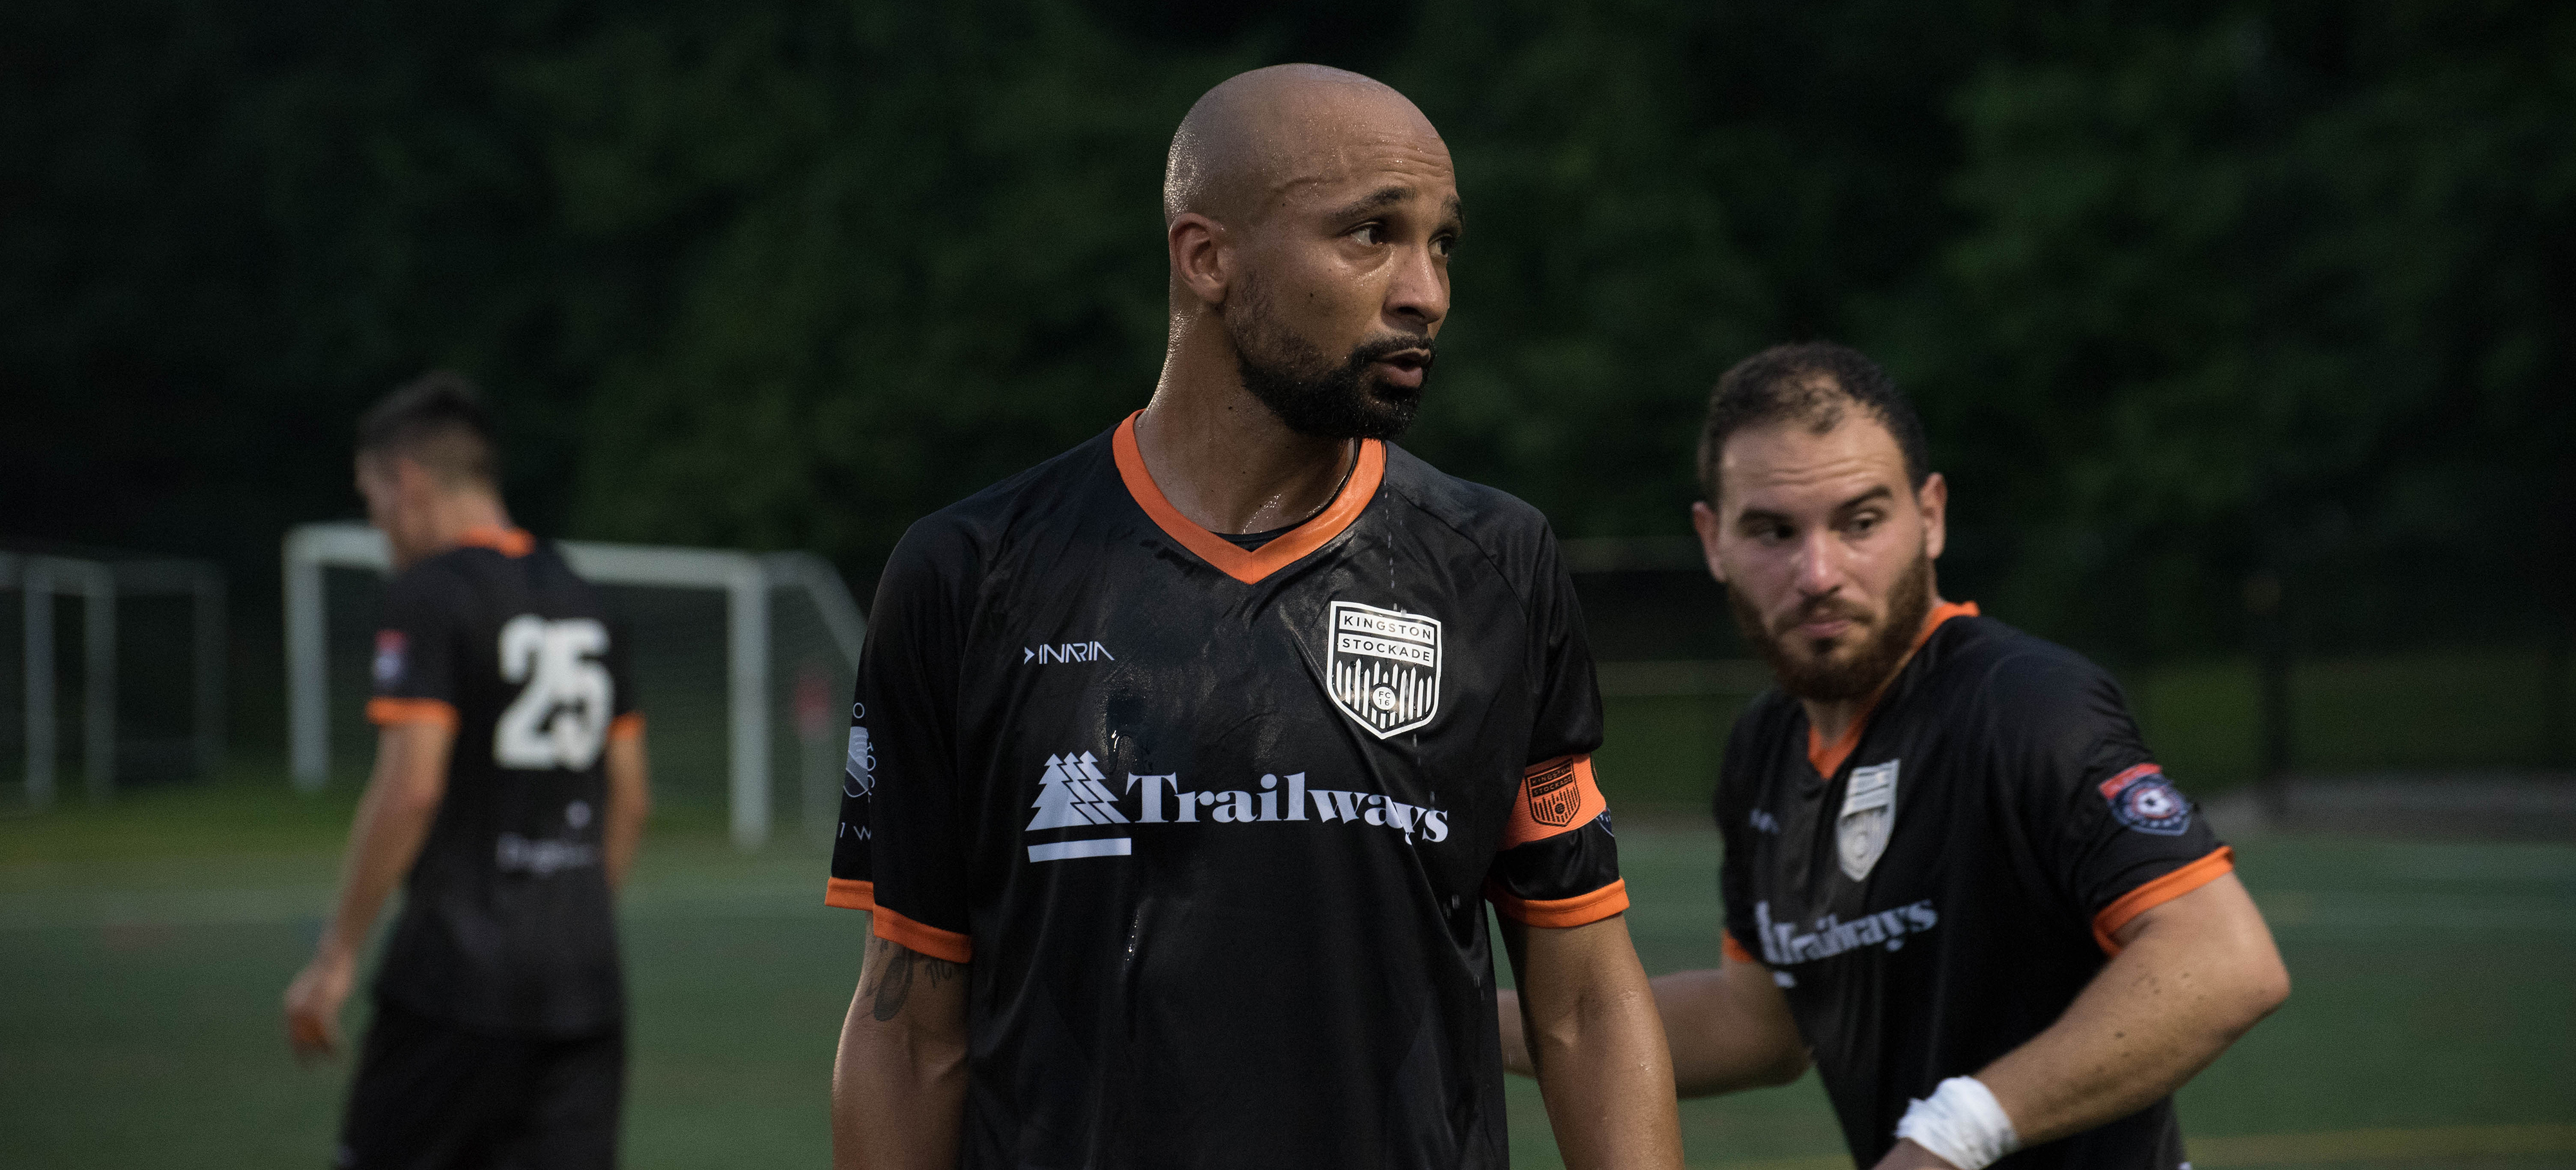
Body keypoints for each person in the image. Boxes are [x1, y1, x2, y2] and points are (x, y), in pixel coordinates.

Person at [825, 64, 1684, 1170]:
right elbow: (911, 1030)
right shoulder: (968, 573)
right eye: (1372, 234)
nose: (1426, 290)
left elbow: (1582, 1006)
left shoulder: (1496, 566)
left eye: (1441, 243)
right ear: (1207, 259)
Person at [1500, 343, 2290, 1169]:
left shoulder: (2022, 705)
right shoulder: (1762, 750)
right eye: (1772, 530)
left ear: (1933, 514)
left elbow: (2226, 958)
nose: (1817, 572)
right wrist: (1458, 1015)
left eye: (1861, 521)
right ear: (1713, 540)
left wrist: (1949, 1134)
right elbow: (1760, 1024)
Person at [283, 372, 650, 1170]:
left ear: (406, 481)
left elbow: (412, 785)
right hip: (583, 985)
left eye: (371, 492)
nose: (375, 519)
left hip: (455, 983)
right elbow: (631, 796)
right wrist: (576, 913)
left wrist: (337, 954)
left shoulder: (431, 594)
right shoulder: (584, 594)